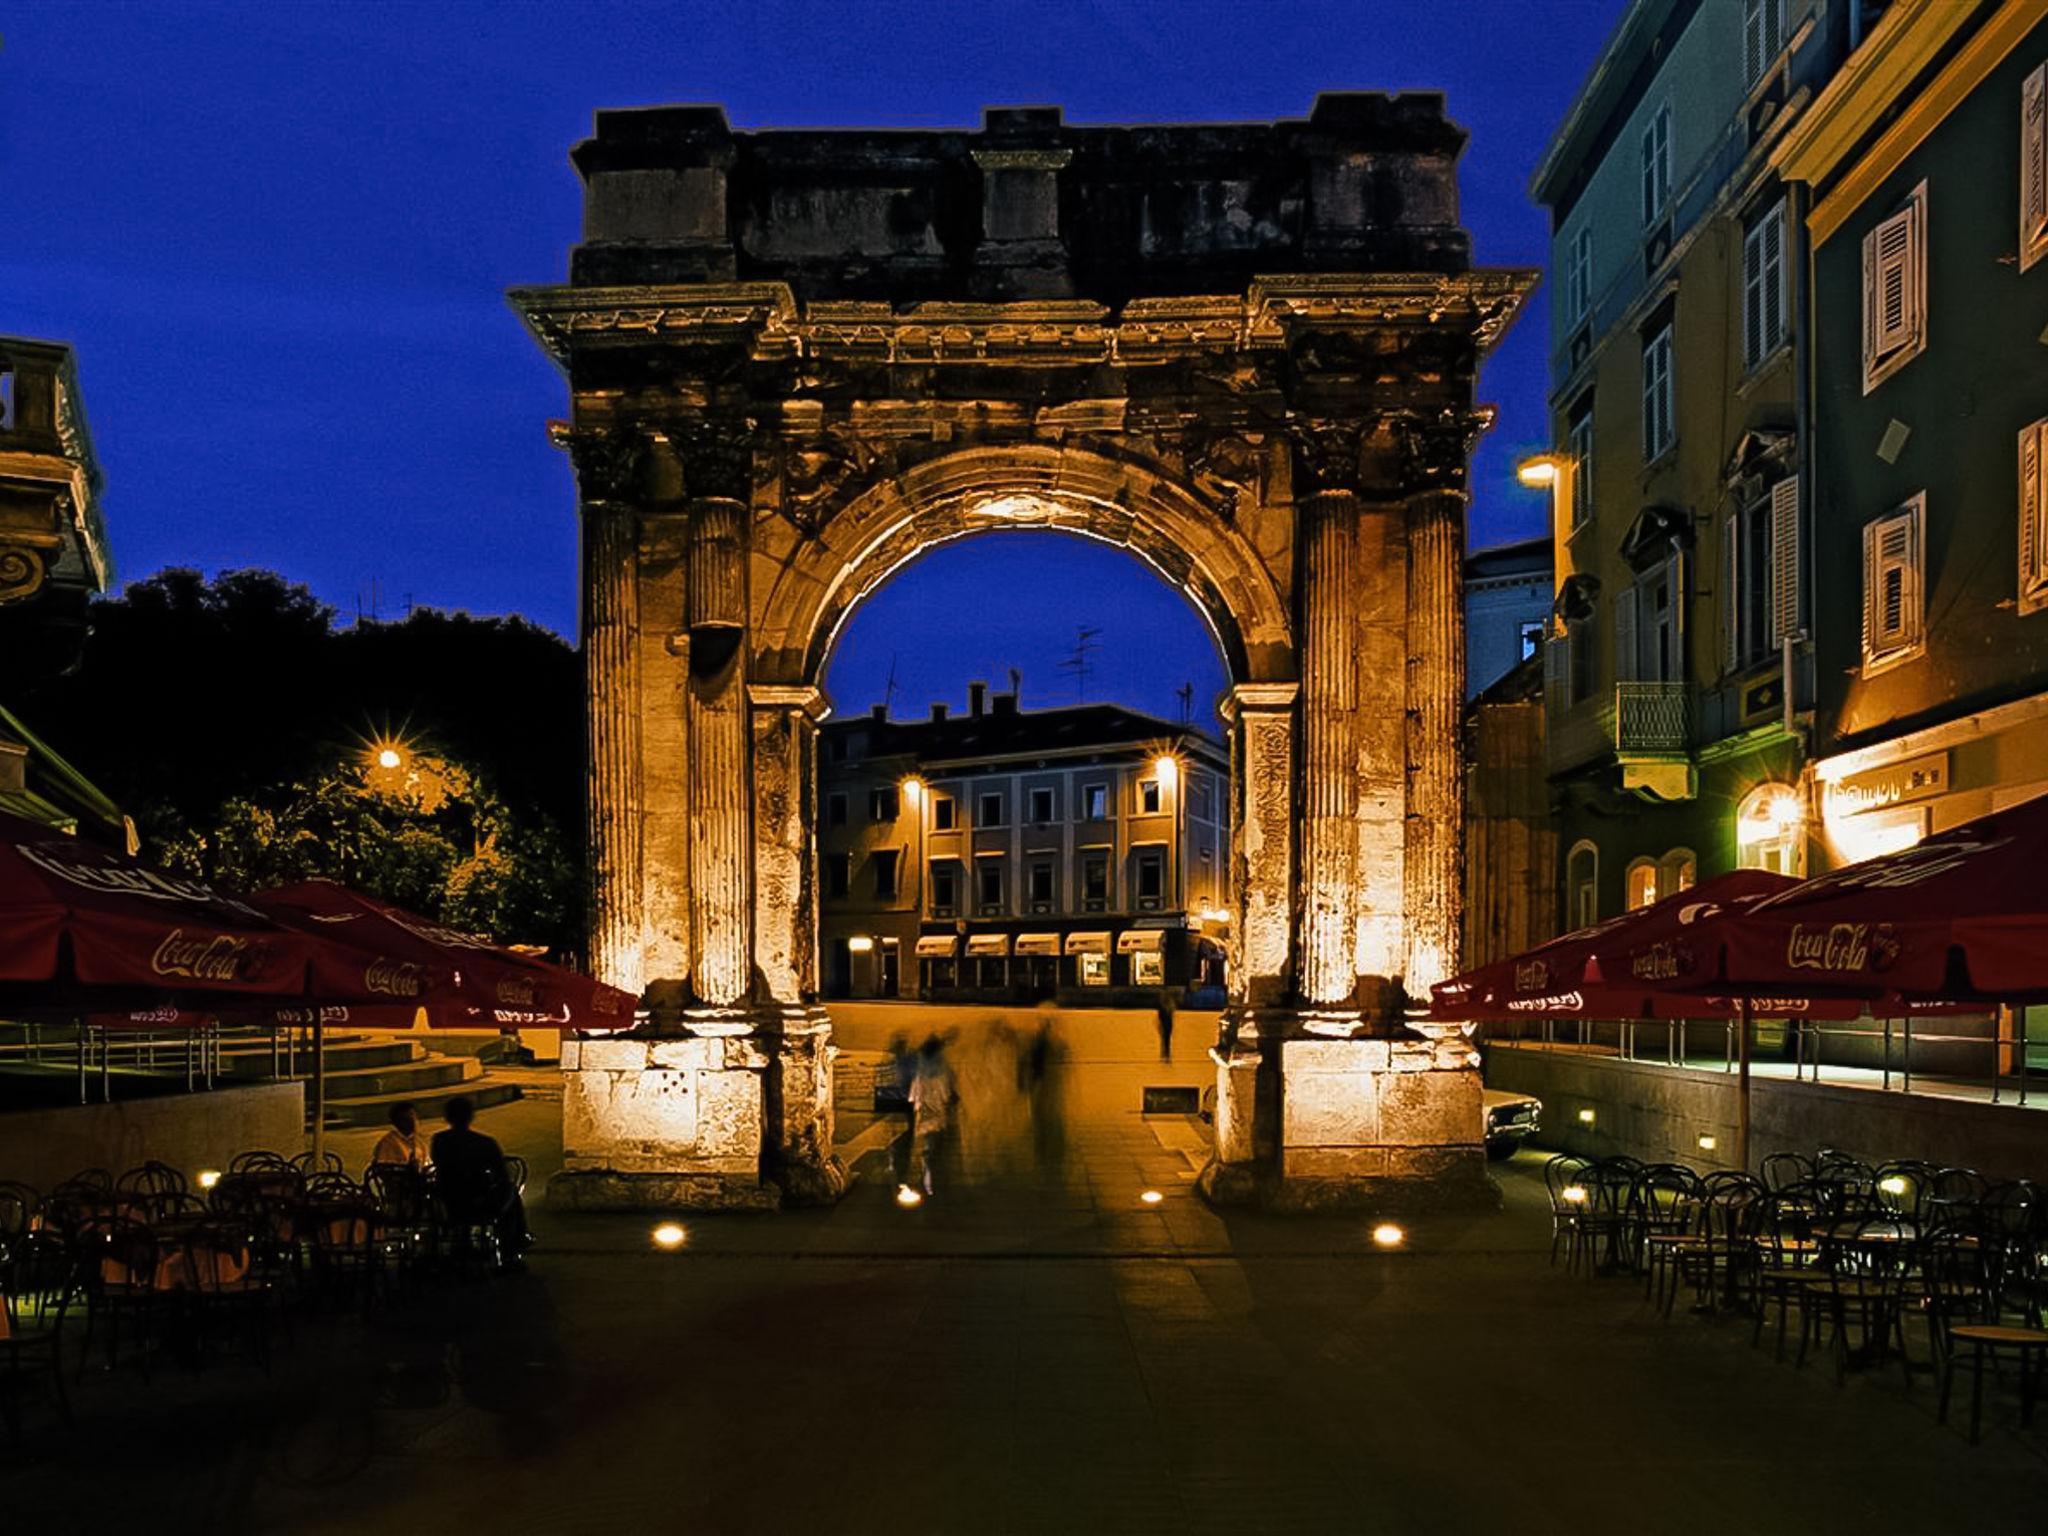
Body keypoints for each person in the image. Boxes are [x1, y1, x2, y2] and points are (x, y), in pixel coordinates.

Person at [430, 1096, 530, 1270]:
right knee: (511, 1193)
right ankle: (512, 1250)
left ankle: (463, 1244)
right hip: (479, 1202)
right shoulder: (484, 1143)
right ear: (470, 1116)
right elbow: (501, 1173)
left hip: (449, 1200)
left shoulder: (439, 1141)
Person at [908, 1033, 958, 1198]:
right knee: (937, 1151)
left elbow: (913, 1098)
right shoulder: (944, 1071)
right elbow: (948, 1095)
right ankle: (933, 1185)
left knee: (928, 1151)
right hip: (939, 1117)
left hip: (925, 1118)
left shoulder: (921, 1073)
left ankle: (928, 1184)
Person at [370, 1101, 429, 1169]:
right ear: (397, 1122)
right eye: (406, 1119)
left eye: (414, 1118)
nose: (413, 1123)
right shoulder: (388, 1143)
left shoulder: (419, 1142)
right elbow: (383, 1170)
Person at [1155, 990, 1177, 1063]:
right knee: (1166, 1039)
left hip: (1165, 1023)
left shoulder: (1163, 1005)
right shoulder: (1169, 1005)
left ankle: (1164, 1054)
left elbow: (1160, 1016)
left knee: (1165, 1039)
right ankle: (1166, 1054)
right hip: (1167, 1023)